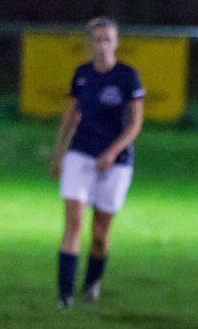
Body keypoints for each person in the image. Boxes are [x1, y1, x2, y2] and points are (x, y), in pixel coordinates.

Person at [48, 17, 144, 308]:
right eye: (97, 39)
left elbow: (135, 124)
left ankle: (91, 283)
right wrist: (58, 153)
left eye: (107, 39)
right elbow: (70, 117)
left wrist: (112, 153)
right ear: (89, 43)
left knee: (100, 236)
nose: (102, 45)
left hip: (116, 162)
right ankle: (64, 296)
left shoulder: (128, 76)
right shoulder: (82, 74)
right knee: (73, 224)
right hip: (81, 154)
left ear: (115, 43)